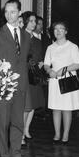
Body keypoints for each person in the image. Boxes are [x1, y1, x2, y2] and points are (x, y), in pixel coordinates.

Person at [0, 0, 32, 157]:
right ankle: (4, 155)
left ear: (19, 13)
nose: (9, 15)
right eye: (6, 12)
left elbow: (23, 61)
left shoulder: (26, 35)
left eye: (13, 12)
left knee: (18, 122)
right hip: (4, 85)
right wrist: (0, 76)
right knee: (3, 122)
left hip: (21, 85)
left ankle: (16, 154)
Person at [44, 21, 79, 145]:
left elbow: (78, 64)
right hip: (55, 80)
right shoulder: (50, 47)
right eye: (56, 29)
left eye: (61, 29)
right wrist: (49, 70)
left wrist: (64, 69)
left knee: (67, 109)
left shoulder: (72, 46)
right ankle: (57, 133)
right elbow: (46, 64)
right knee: (56, 109)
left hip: (67, 80)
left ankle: (65, 134)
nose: (58, 31)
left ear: (66, 31)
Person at [21, 12, 45, 145]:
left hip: (34, 75)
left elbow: (40, 56)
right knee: (25, 106)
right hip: (23, 74)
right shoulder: (19, 36)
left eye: (35, 21)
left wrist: (41, 63)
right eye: (31, 21)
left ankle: (26, 129)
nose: (34, 24)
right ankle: (19, 135)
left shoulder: (37, 40)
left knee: (33, 105)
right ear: (25, 22)